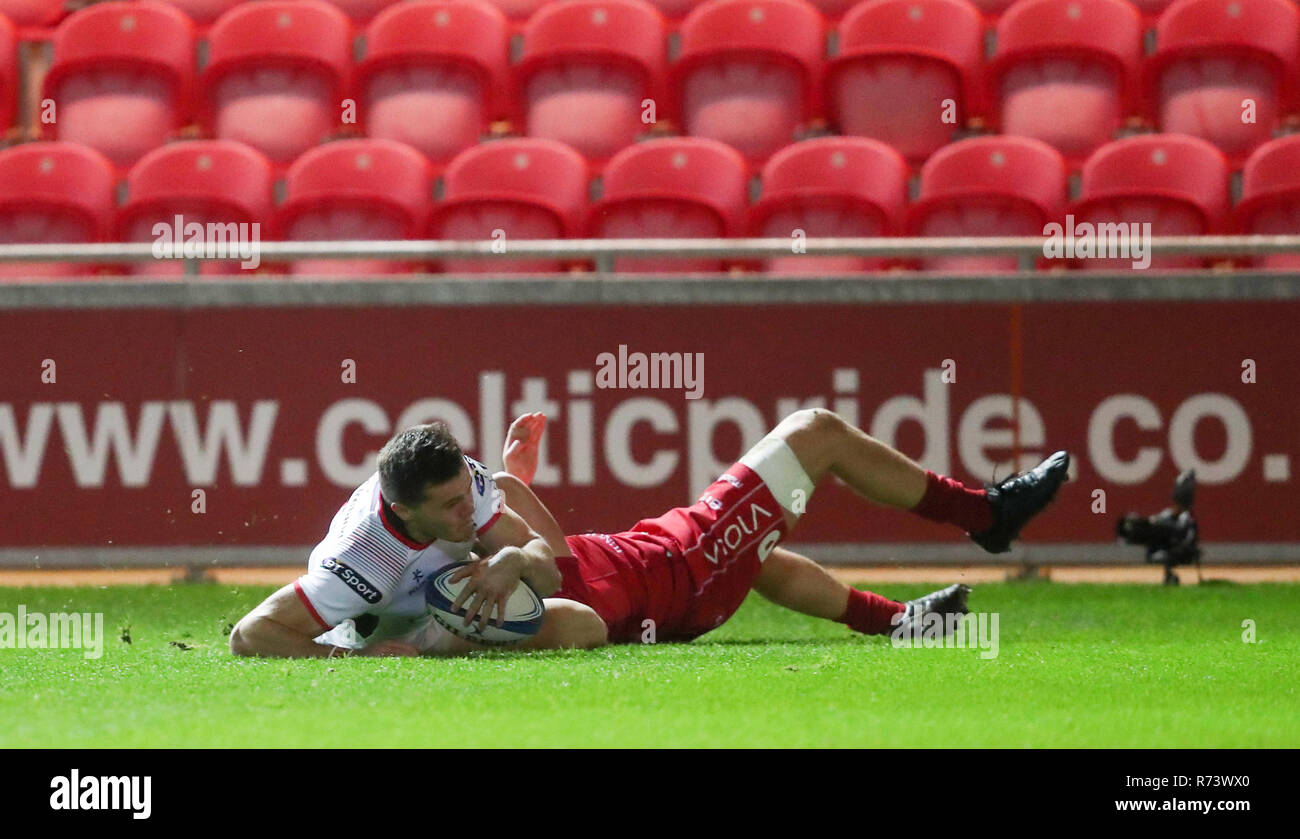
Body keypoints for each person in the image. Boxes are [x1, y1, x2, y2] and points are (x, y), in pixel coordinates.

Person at [230, 408, 1070, 657]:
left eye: (471, 498)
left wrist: (511, 526)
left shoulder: (471, 510)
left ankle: (899, 624)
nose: (473, 517)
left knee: (766, 558)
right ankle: (986, 516)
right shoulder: (373, 567)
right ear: (405, 518)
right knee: (814, 432)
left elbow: (526, 529)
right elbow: (251, 633)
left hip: (677, 556)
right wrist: (386, 661)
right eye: (454, 512)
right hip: (688, 565)